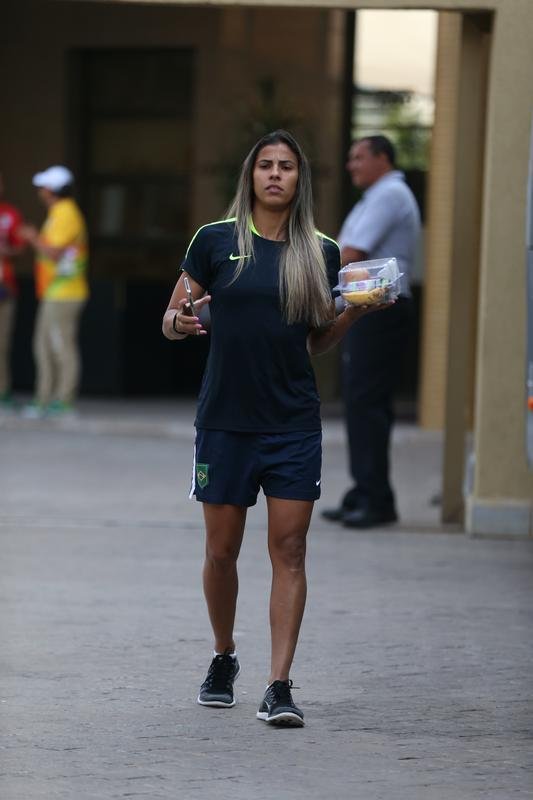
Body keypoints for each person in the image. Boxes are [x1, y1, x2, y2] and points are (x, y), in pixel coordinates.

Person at [162, 130, 389, 727]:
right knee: (221, 551)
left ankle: (279, 684)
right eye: (265, 165)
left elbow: (314, 340)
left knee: (289, 548)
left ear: (299, 179)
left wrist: (353, 313)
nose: (275, 175)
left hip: (291, 424)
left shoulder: (322, 251)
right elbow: (171, 316)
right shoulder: (214, 241)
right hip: (224, 422)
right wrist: (180, 323)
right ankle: (222, 656)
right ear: (251, 175)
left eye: (286, 166)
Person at [321, 135, 421, 529]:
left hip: (379, 310)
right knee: (362, 402)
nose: (351, 165)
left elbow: (351, 253)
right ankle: (364, 490)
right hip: (370, 309)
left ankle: (375, 497)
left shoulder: (389, 194)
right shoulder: (379, 195)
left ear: (383, 158)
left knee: (366, 403)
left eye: (359, 157)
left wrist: (310, 282)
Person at [19, 166, 89, 418]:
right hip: (56, 291)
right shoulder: (60, 213)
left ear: (52, 190)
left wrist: (32, 236)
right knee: (45, 346)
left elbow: (54, 252)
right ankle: (46, 400)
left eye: (44, 187)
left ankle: (62, 401)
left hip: (65, 292)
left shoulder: (65, 213)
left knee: (60, 346)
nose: (40, 191)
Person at [0, 173, 24, 410]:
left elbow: (19, 248)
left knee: (2, 341)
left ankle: (2, 392)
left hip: (4, 286)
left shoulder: (10, 214)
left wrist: (6, 249)